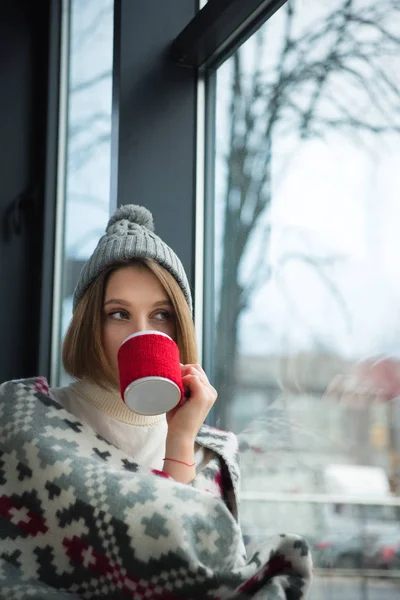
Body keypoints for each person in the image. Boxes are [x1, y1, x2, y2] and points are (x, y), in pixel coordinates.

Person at [0, 205, 312, 599]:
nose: (141, 331)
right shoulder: (25, 417)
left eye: (161, 314)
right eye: (118, 314)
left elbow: (193, 575)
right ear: (88, 326)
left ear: (179, 326)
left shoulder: (211, 454)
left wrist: (181, 441)